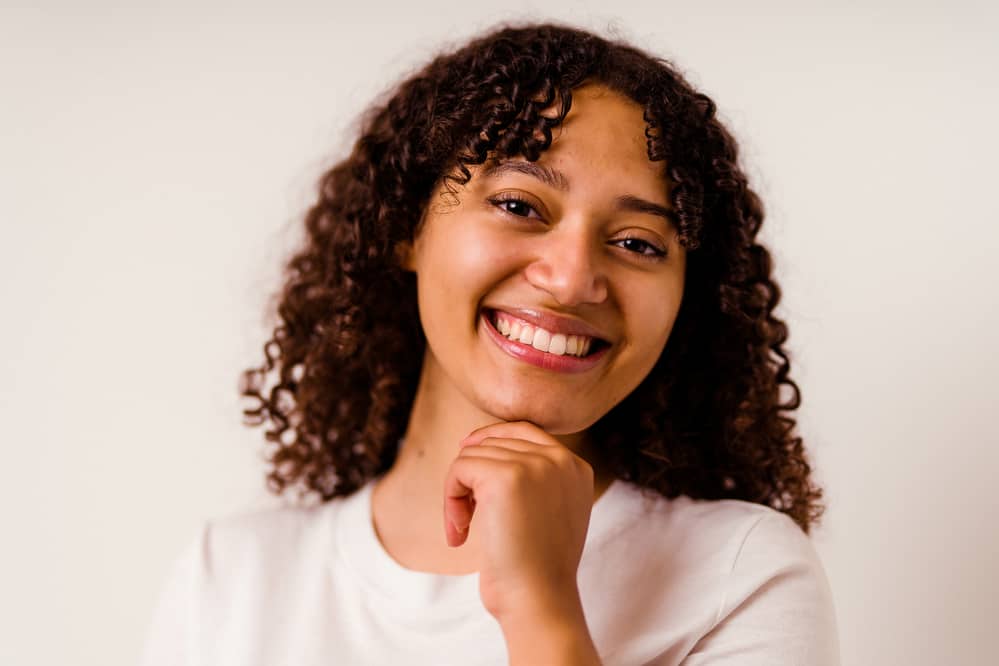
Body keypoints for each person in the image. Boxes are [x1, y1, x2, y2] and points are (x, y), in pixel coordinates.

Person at [140, 21, 839, 666]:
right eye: (518, 205)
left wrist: (539, 605)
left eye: (635, 243)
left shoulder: (737, 574)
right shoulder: (231, 581)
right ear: (405, 226)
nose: (569, 281)